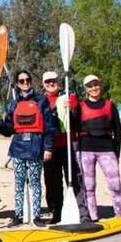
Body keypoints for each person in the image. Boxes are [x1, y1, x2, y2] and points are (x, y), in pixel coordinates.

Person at [0, 70, 55, 227]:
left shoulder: (41, 101)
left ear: (31, 81)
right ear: (17, 84)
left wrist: (48, 148)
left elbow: (49, 126)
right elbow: (8, 129)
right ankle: (18, 216)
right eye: (21, 81)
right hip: (18, 148)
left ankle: (36, 216)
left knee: (35, 182)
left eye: (27, 79)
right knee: (19, 182)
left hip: (36, 146)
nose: (25, 82)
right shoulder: (13, 103)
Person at [41, 71, 90, 224]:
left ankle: (83, 214)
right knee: (52, 183)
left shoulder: (70, 97)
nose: (51, 84)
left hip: (69, 145)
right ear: (43, 84)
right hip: (50, 148)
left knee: (75, 180)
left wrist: (72, 110)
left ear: (58, 82)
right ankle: (57, 213)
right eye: (47, 81)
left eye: (53, 81)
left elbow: (77, 122)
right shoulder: (40, 100)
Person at [73, 75, 121, 220]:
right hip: (85, 149)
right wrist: (70, 111)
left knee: (115, 185)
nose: (93, 88)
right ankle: (93, 217)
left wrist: (117, 152)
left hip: (107, 149)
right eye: (90, 86)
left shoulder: (110, 105)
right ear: (86, 89)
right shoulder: (80, 106)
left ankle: (119, 214)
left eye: (96, 85)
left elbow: (117, 131)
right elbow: (73, 126)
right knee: (89, 187)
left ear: (100, 86)